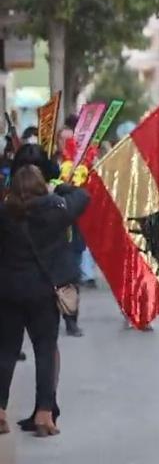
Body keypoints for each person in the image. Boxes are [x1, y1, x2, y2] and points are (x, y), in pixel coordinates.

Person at [0, 165, 89, 437]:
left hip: (9, 291)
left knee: (5, 352)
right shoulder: (56, 210)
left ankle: (0, 411)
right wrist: (59, 188)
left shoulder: (4, 213)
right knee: (45, 351)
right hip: (44, 292)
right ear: (42, 187)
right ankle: (45, 414)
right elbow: (83, 196)